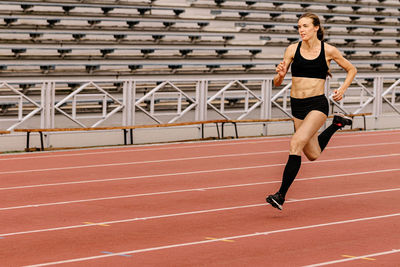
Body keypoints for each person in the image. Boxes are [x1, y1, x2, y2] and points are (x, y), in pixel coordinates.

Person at [266, 13, 357, 210]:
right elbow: (277, 82)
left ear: (316, 27)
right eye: (299, 26)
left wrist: (342, 90)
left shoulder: (328, 50)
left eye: (305, 26)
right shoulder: (292, 49)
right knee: (313, 154)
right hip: (297, 105)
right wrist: (280, 75)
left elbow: (352, 69)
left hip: (317, 104)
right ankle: (337, 124)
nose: (301, 30)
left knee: (295, 143)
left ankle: (280, 195)